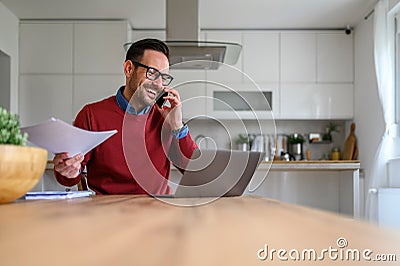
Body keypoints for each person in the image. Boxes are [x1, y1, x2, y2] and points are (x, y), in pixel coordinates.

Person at [53, 38, 198, 195]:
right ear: (129, 69)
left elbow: (195, 173)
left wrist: (177, 125)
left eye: (163, 77)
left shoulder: (166, 119)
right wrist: (68, 170)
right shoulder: (91, 115)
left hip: (158, 210)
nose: (158, 84)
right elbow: (68, 176)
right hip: (107, 212)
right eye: (152, 73)